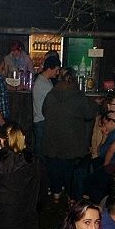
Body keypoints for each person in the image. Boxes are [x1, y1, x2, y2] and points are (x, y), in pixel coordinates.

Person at [41, 69, 95, 202]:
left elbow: (44, 112)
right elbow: (88, 115)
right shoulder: (79, 96)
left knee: (54, 166)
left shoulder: (51, 94)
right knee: (69, 168)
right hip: (72, 138)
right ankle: (70, 197)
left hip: (52, 137)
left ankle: (56, 194)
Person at [31, 55, 60, 152]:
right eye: (56, 70)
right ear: (49, 69)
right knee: (41, 151)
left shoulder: (45, 80)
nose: (58, 73)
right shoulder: (43, 83)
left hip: (40, 120)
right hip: (42, 121)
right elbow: (55, 101)